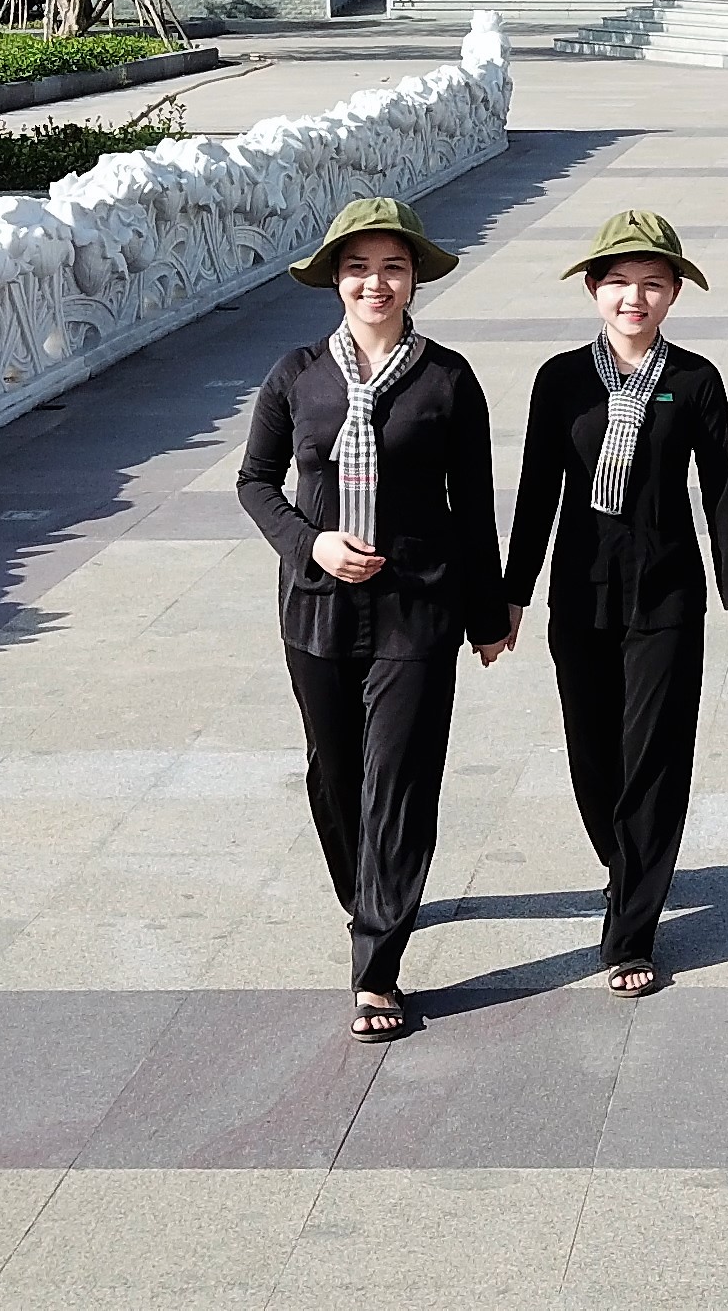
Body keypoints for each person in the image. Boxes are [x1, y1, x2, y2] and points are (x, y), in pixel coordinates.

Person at [234, 196, 515, 1043]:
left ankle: (376, 966)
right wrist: (310, 543)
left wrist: (487, 611)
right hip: (316, 609)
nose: (375, 283)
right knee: (334, 774)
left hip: (416, 607)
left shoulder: (447, 379)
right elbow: (255, 482)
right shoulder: (296, 375)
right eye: (358, 268)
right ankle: (368, 895)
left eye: (392, 267)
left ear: (415, 278)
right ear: (335, 280)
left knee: (400, 778)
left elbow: (474, 505)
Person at [503, 210, 728, 997]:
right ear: (593, 289)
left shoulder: (695, 379)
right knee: (593, 758)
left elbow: (720, 491)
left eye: (653, 283)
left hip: (666, 596)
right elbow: (536, 493)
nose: (635, 298)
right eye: (618, 282)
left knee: (654, 757)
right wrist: (510, 596)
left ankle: (632, 933)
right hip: (580, 596)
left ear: (675, 293)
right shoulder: (560, 380)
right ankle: (628, 867)